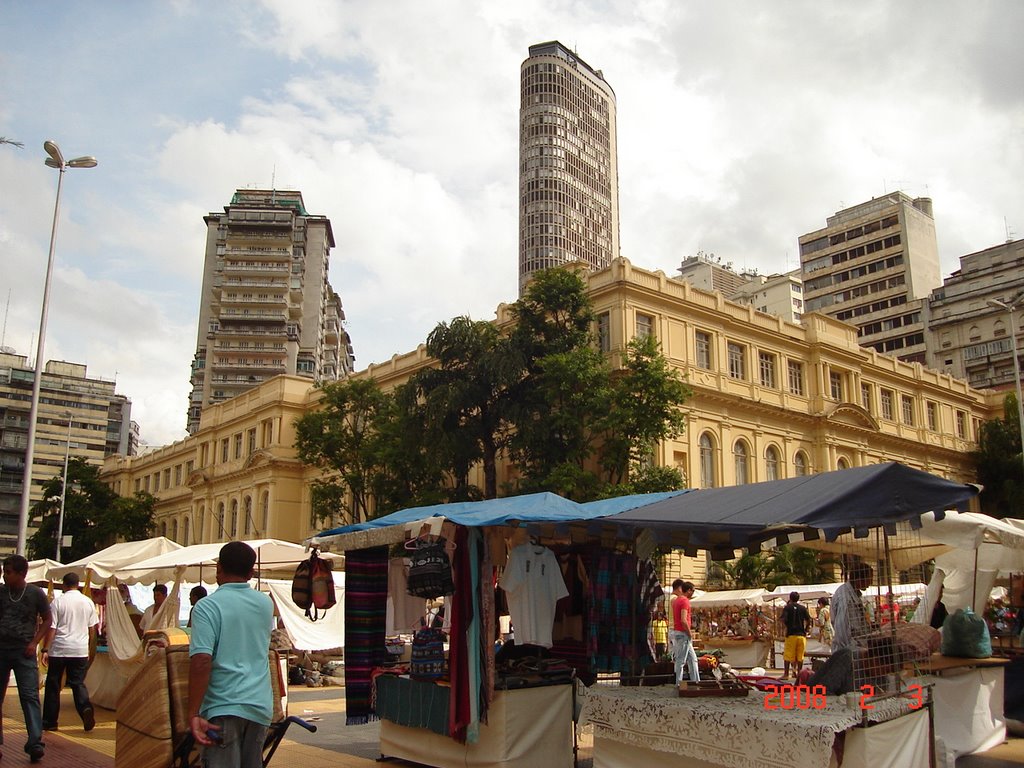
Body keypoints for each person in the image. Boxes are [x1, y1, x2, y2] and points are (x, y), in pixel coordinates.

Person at [189, 542, 274, 768]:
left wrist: (193, 713)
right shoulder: (266, 604)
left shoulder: (206, 607)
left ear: (219, 568)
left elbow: (201, 661)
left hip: (223, 706)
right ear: (250, 572)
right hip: (259, 708)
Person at [0, 554, 52, 763]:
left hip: (24, 652)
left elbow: (48, 619)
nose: (5, 576)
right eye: (4, 571)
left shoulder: (35, 593)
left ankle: (35, 742)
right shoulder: (1, 593)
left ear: (22, 573)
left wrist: (35, 643)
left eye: (9, 572)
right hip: (2, 650)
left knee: (29, 696)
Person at [42, 572, 99, 733]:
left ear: (64, 585)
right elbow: (92, 629)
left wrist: (46, 648)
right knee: (77, 683)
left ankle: (50, 721)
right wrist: (89, 648)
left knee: (53, 684)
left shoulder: (58, 603)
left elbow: (52, 628)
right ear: (78, 584)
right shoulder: (88, 602)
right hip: (79, 650)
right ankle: (85, 708)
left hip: (59, 649)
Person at [831, 562, 873, 651]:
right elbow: (842, 633)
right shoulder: (846, 598)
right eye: (869, 579)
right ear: (859, 579)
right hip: (849, 653)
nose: (871, 582)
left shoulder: (853, 595)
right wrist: (855, 652)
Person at [670, 579, 700, 685]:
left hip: (677, 631)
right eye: (693, 591)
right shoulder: (684, 601)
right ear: (688, 590)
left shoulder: (676, 600)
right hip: (683, 633)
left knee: (693, 659)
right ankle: (678, 683)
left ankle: (696, 681)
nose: (693, 593)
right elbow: (683, 619)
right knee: (681, 660)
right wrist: (689, 633)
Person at [780, 591, 811, 679]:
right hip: (801, 635)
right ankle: (799, 675)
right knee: (800, 656)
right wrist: (806, 629)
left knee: (788, 655)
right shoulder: (803, 608)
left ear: (790, 598)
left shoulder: (787, 607)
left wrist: (786, 625)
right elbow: (809, 620)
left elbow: (783, 619)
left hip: (791, 635)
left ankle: (786, 674)